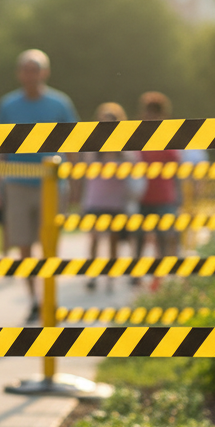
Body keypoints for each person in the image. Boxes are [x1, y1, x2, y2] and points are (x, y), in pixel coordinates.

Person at [0, 49, 79, 321]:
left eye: (35, 69)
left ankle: (50, 297)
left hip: (51, 185)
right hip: (17, 183)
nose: (30, 74)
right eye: (25, 69)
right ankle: (34, 299)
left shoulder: (60, 104)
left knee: (50, 245)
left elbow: (73, 142)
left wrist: (75, 179)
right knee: (23, 245)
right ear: (19, 73)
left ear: (45, 72)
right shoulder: (7, 106)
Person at [79, 102, 132, 292]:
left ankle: (111, 275)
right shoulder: (93, 145)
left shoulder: (124, 146)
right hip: (95, 199)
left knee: (113, 240)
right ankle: (93, 274)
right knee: (94, 238)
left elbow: (128, 168)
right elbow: (91, 168)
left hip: (115, 201)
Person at [132, 91, 182, 284]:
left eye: (154, 112)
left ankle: (157, 277)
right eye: (147, 111)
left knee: (162, 238)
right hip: (142, 196)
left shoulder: (168, 137)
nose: (150, 116)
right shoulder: (138, 136)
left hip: (163, 197)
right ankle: (136, 274)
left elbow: (176, 165)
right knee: (138, 238)